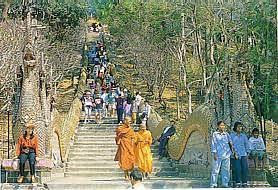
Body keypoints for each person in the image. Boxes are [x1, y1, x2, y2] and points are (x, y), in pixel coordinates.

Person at [210, 121, 237, 188]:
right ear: (218, 126)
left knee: (226, 170)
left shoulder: (227, 134)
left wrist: (233, 151)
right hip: (218, 155)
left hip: (226, 155)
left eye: (223, 125)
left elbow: (230, 143)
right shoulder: (215, 134)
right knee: (215, 170)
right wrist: (214, 153)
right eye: (221, 125)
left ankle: (225, 184)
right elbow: (213, 144)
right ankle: (213, 184)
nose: (222, 127)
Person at [230, 122, 250, 188]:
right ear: (235, 127)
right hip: (235, 155)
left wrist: (247, 153)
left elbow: (246, 144)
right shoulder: (232, 135)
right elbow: (231, 145)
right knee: (237, 169)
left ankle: (244, 182)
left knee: (245, 168)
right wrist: (234, 153)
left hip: (243, 154)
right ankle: (237, 182)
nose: (240, 128)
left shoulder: (244, 136)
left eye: (241, 126)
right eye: (238, 126)